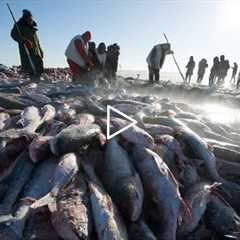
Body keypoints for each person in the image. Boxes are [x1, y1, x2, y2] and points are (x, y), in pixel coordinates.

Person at [10, 9, 44, 80]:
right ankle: (32, 84)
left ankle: (38, 82)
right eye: (28, 16)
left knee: (39, 67)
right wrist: (24, 40)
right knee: (31, 68)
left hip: (36, 51)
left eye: (31, 16)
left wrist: (40, 50)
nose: (30, 18)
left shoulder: (32, 27)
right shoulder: (19, 25)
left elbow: (37, 41)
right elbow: (13, 34)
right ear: (25, 17)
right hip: (27, 51)